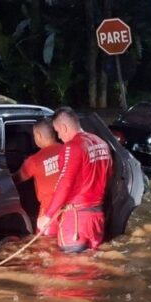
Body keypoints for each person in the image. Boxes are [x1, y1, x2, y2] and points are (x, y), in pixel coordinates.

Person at [37, 107, 113, 253]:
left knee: (68, 270)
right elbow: (108, 174)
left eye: (58, 132)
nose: (59, 137)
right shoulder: (102, 143)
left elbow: (64, 184)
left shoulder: (72, 147)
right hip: (97, 219)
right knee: (91, 266)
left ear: (64, 127)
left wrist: (48, 216)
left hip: (76, 220)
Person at [14, 119, 63, 236]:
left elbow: (16, 179)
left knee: (44, 248)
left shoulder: (34, 160)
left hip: (48, 212)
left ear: (39, 135)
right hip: (72, 210)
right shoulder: (68, 150)